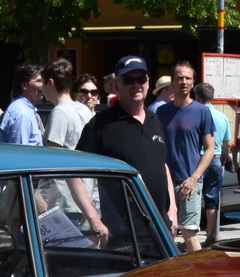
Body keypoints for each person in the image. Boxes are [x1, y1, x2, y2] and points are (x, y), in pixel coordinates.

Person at [77, 55, 175, 240]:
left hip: (161, 228)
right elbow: (73, 172)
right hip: (125, 235)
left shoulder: (155, 120)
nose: (136, 84)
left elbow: (162, 165)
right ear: (117, 85)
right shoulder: (101, 124)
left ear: (148, 82)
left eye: (140, 79)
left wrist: (173, 210)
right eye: (129, 80)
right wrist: (93, 219)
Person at [158, 62, 217, 251]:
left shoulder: (202, 112)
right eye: (179, 78)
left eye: (187, 78)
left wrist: (194, 178)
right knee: (165, 232)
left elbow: (210, 149)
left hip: (189, 182)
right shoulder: (161, 112)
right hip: (164, 182)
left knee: (188, 232)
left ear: (193, 82)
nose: (183, 81)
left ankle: (199, 276)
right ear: (172, 82)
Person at [193, 82, 232, 244]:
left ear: (198, 97)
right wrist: (222, 161)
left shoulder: (196, 113)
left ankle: (192, 235)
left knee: (193, 198)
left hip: (198, 160)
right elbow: (228, 143)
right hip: (215, 160)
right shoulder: (222, 116)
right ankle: (210, 236)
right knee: (212, 199)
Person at [42, 61, 92, 152]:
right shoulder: (85, 109)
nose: (42, 88)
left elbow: (52, 153)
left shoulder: (59, 112)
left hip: (68, 165)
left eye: (42, 83)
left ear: (50, 83)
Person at [0, 64, 45, 146]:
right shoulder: (22, 114)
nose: (43, 85)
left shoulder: (26, 110)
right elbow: (20, 153)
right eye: (39, 81)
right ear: (24, 85)